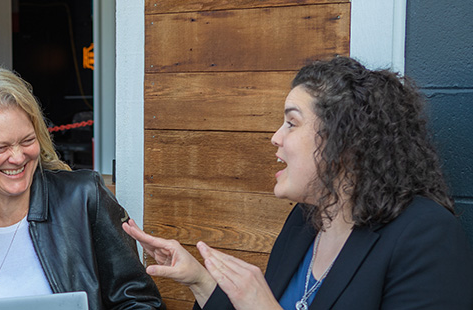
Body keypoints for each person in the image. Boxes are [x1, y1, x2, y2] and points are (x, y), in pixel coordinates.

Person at [123, 56, 473, 309]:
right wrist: (199, 280)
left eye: (292, 123)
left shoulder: (425, 236)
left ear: (345, 140)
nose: (276, 138)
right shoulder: (305, 221)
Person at [0, 61, 164, 309]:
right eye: (0, 147)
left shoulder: (82, 199)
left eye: (27, 140)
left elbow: (140, 302)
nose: (18, 157)